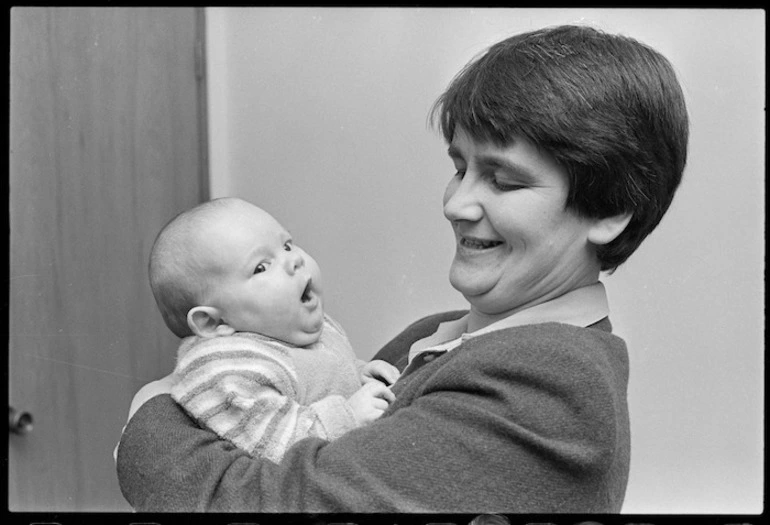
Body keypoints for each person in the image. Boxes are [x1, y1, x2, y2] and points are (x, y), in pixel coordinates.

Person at [116, 24, 688, 512]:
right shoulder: (435, 334)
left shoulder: (550, 384)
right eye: (459, 167)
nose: (456, 204)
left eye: (504, 180)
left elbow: (274, 502)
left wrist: (152, 413)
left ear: (610, 211)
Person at [146, 197, 399, 461]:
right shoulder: (229, 369)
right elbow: (271, 441)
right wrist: (347, 415)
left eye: (287, 245)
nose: (294, 261)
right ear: (215, 323)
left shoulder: (292, 329)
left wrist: (357, 373)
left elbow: (316, 375)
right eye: (261, 267)